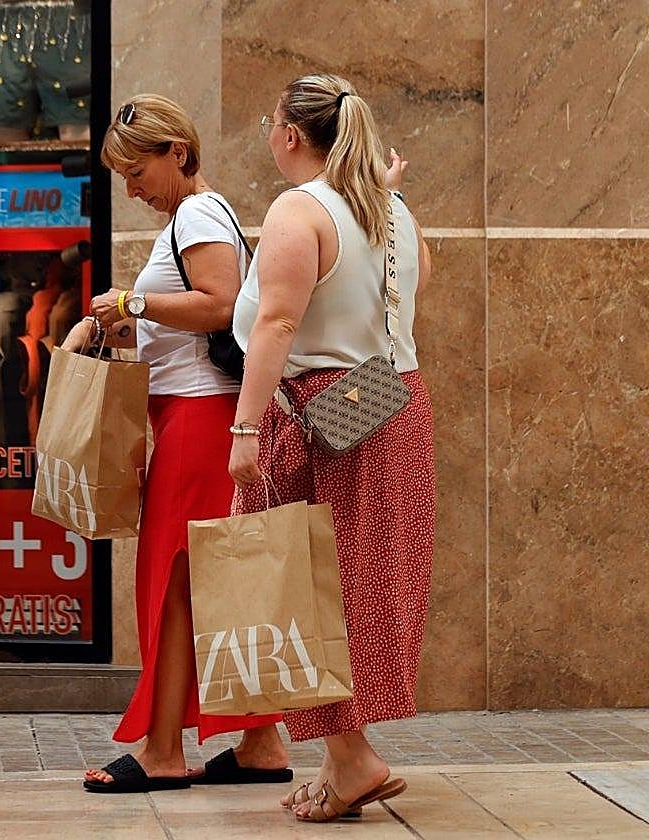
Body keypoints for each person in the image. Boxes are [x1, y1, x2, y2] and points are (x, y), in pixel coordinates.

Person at [65, 94, 291, 794]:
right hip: (197, 415)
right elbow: (190, 325)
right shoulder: (198, 215)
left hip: (199, 421)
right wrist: (117, 326)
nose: (129, 188)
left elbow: (219, 304)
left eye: (136, 171)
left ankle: (164, 749)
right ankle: (260, 742)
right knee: (219, 579)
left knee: (173, 584)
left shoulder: (196, 214)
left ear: (178, 155)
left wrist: (129, 301)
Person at [228, 74, 434, 822]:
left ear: (289, 134)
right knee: (359, 588)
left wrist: (245, 428)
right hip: (393, 403)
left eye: (268, 123)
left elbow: (277, 326)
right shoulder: (394, 210)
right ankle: (343, 757)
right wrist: (384, 196)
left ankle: (352, 759)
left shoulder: (297, 209)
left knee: (297, 589)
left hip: (319, 413)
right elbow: (413, 293)